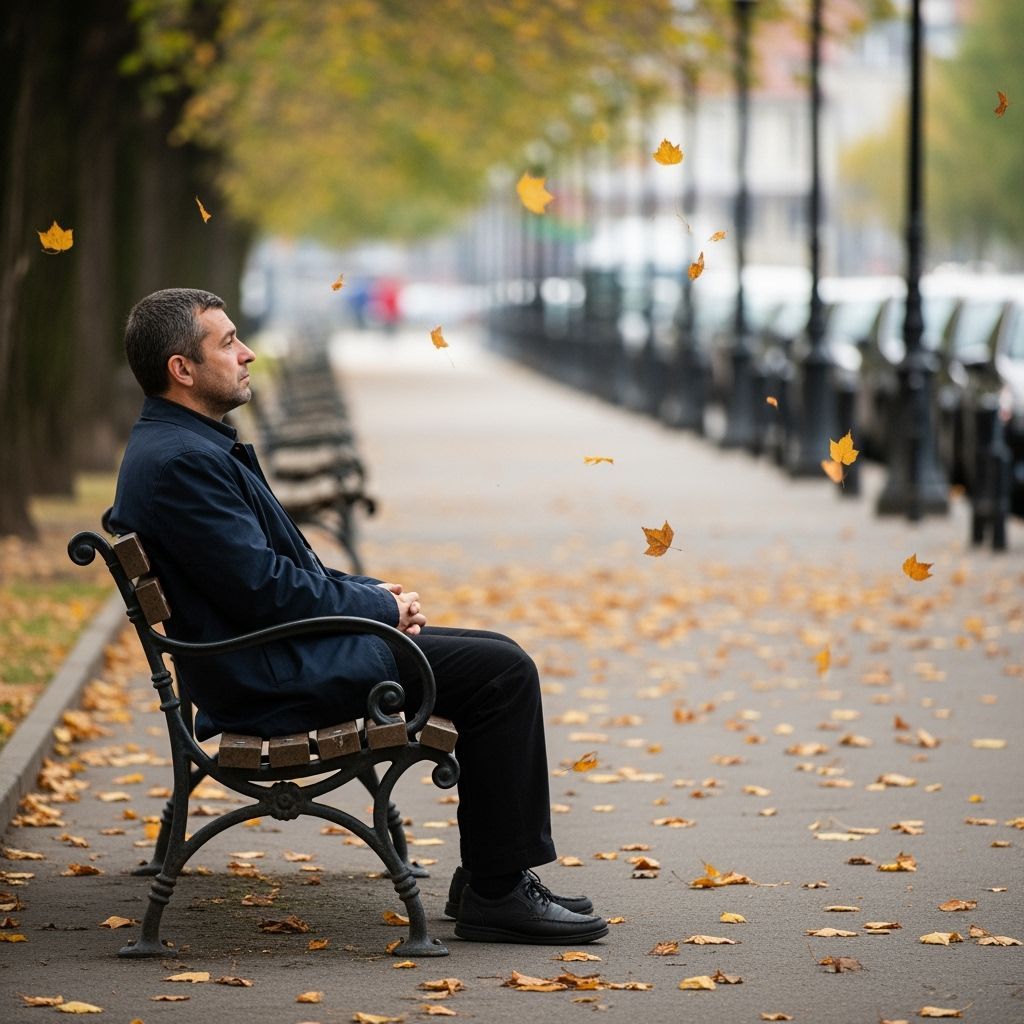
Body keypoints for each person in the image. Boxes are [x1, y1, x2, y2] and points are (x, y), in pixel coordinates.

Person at [110, 288, 607, 946]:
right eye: (228, 342)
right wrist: (376, 607)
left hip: (271, 655)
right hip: (269, 679)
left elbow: (276, 574)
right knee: (502, 672)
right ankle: (497, 891)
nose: (247, 351)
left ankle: (493, 877)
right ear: (183, 368)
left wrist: (375, 593)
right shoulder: (182, 463)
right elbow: (268, 590)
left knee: (492, 653)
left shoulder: (184, 446)